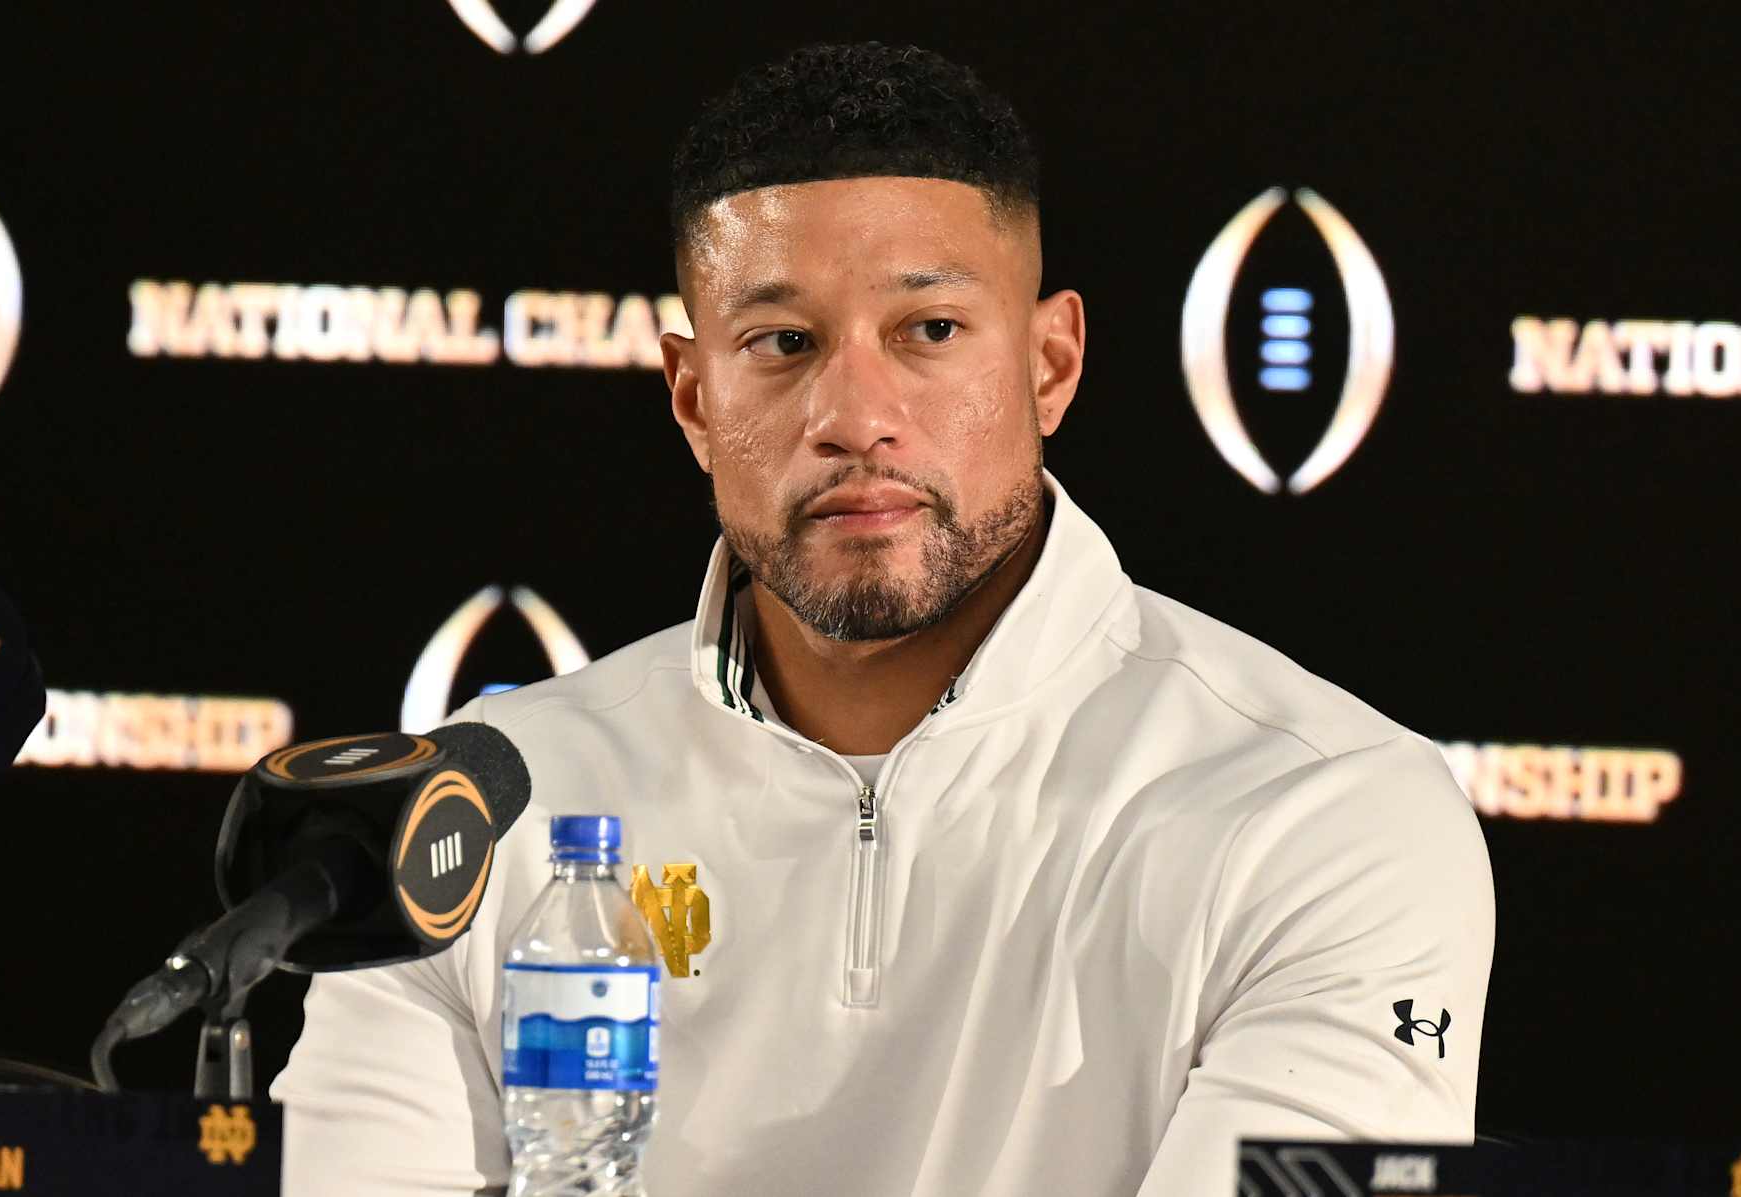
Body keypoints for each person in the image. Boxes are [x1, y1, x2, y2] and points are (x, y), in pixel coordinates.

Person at [272, 41, 1494, 1196]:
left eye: (930, 331)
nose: (854, 413)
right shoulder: (466, 823)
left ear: (1051, 365)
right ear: (694, 399)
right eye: (783, 342)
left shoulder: (1327, 810)